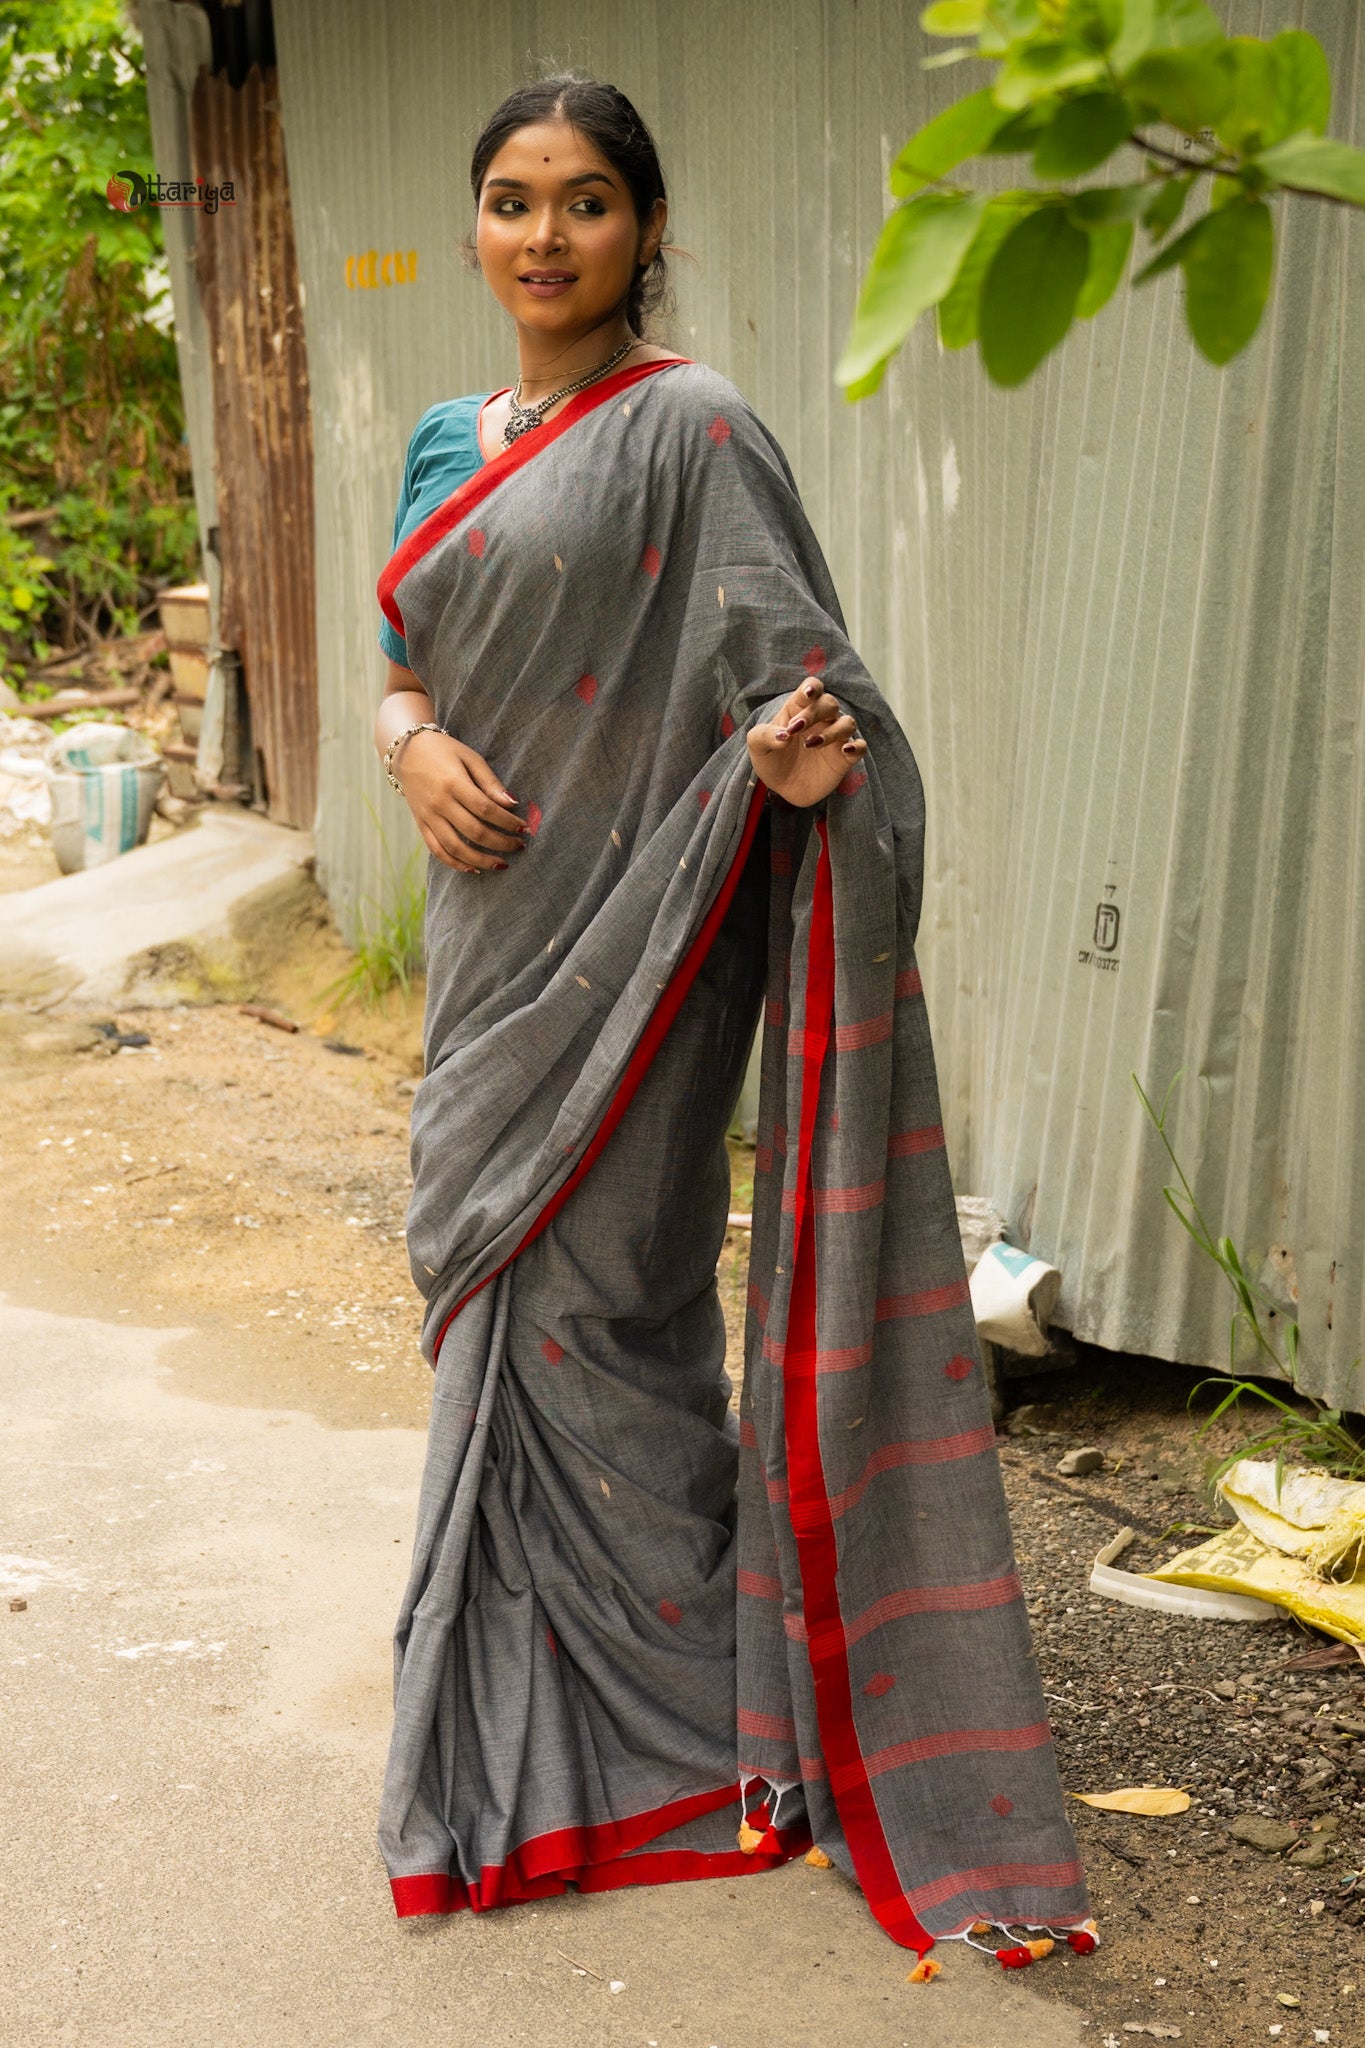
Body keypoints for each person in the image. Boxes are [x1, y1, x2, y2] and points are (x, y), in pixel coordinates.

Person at [371, 73, 1095, 1964]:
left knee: (610, 1311)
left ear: (647, 229)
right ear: (473, 228)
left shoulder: (695, 431)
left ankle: (708, 1738)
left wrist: (779, 773)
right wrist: (406, 743)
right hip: (488, 946)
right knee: (503, 1325)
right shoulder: (450, 437)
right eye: (513, 200)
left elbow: (817, 693)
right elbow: (398, 659)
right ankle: (519, 1755)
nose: (546, 236)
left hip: (651, 945)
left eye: (587, 201)